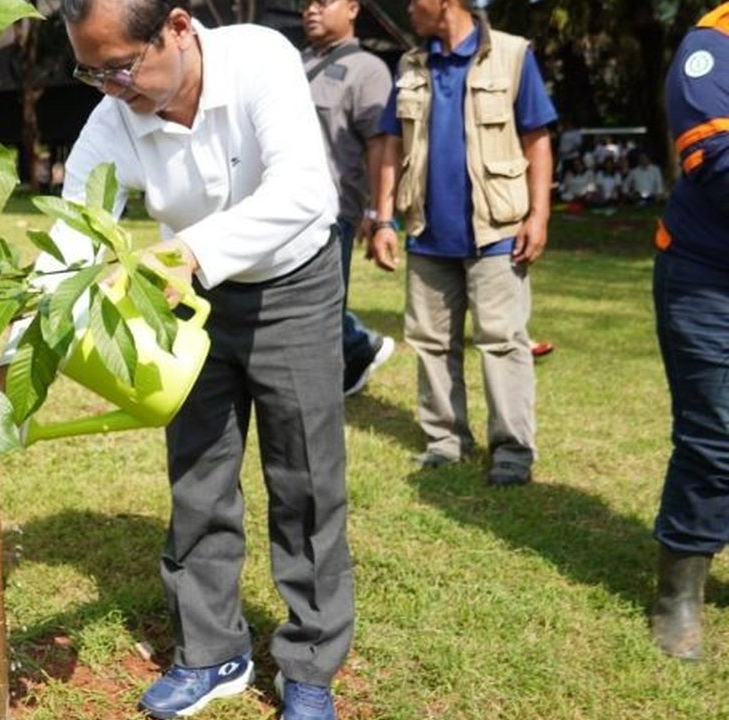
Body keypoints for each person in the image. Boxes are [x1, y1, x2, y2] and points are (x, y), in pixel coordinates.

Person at [46, 1, 351, 717]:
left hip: (292, 286)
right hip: (189, 301)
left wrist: (193, 251)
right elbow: (71, 242)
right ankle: (214, 653)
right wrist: (24, 338)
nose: (113, 89)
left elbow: (306, 191)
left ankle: (309, 662)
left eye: (120, 67)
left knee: (305, 476)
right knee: (199, 475)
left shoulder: (260, 60)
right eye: (92, 74)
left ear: (178, 28)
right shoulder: (112, 117)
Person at [368, 0, 557, 486]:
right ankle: (446, 440)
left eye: (416, 1)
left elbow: (537, 138)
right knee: (431, 342)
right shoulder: (411, 66)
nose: (409, 9)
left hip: (497, 230)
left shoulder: (513, 55)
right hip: (428, 233)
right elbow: (391, 143)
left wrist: (539, 215)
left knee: (502, 341)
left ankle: (512, 449)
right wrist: (384, 219)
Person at [648, 1, 729, 662]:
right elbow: (718, 162)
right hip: (708, 279)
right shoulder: (711, 47)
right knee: (714, 436)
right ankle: (678, 593)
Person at [302, 0, 396, 396]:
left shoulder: (368, 70)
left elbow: (381, 146)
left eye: (323, 2)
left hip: (333, 209)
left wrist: (377, 213)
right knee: (297, 302)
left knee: (321, 303)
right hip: (279, 205)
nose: (311, 10)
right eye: (306, 4)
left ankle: (355, 348)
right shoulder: (292, 63)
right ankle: (358, 345)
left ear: (353, 8)